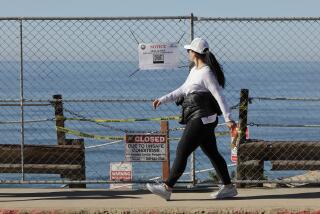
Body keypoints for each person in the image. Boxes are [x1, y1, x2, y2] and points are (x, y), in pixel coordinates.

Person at [146, 37, 238, 201]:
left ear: (195, 52)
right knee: (213, 153)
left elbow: (219, 96)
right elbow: (183, 90)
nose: (187, 52)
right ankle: (228, 187)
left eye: (189, 50)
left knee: (182, 150)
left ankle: (167, 187)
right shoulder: (194, 70)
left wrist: (228, 119)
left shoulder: (206, 72)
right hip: (203, 118)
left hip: (201, 118)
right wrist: (163, 99)